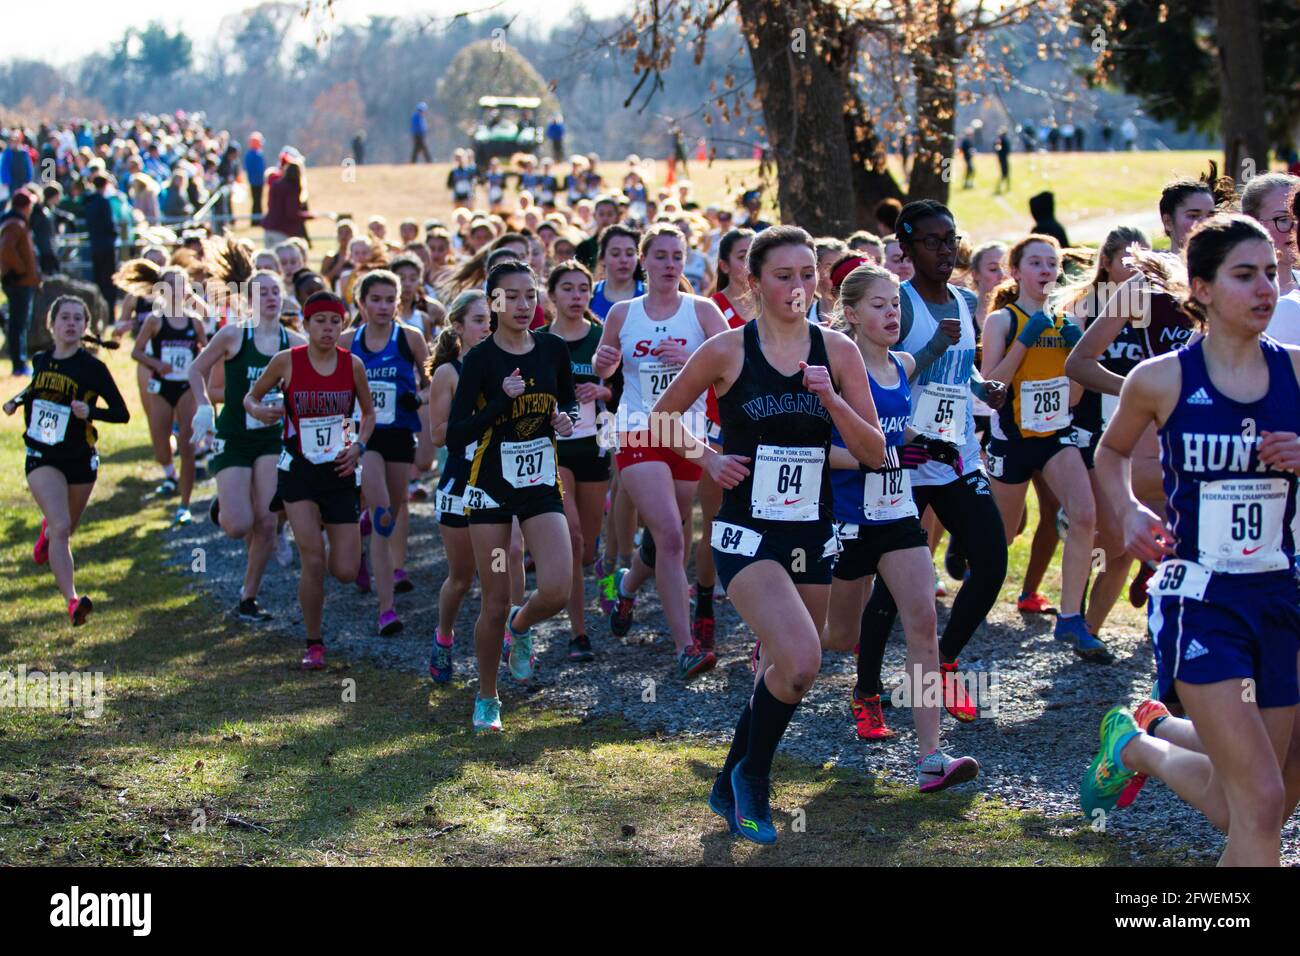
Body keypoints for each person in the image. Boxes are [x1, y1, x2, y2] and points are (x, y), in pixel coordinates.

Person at [649, 225, 885, 842]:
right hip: (746, 532)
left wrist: (833, 401)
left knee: (789, 665)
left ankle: (729, 779)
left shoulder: (839, 351)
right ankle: (755, 776)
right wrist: (707, 459)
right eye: (784, 276)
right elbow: (660, 418)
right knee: (801, 661)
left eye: (808, 274)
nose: (799, 286)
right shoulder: (728, 350)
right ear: (754, 282)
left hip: (812, 528)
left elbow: (875, 452)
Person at [1083, 214, 1300, 867]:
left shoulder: (1296, 372)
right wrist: (1123, 511)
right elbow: (1111, 451)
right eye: (1244, 276)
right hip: (1202, 601)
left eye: (1270, 273)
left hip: (1280, 599)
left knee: (1254, 806)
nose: (1265, 288)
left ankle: (1140, 744)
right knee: (1260, 802)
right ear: (1201, 288)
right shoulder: (1162, 378)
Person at [822, 263, 980, 784]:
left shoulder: (902, 364)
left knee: (923, 624)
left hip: (895, 514)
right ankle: (775, 649)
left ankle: (931, 758)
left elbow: (900, 430)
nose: (892, 313)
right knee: (836, 636)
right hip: (846, 520)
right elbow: (820, 452)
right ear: (851, 314)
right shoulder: (837, 371)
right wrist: (887, 456)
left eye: (896, 304)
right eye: (879, 305)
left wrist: (928, 444)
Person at [853, 201, 1010, 711]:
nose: (945, 250)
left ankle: (942, 665)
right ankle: (868, 693)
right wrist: (937, 350)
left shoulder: (964, 300)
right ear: (906, 247)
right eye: (931, 241)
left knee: (990, 563)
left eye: (951, 239)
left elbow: (959, 370)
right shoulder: (898, 304)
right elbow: (887, 373)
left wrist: (984, 388)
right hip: (907, 459)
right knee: (893, 589)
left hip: (959, 454)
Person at [593, 223, 729, 680]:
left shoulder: (702, 310)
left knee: (662, 541)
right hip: (637, 432)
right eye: (662, 256)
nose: (671, 265)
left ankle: (628, 588)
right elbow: (603, 363)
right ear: (643, 262)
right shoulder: (622, 313)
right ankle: (685, 647)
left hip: (688, 439)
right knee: (673, 536)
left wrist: (690, 355)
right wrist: (603, 365)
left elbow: (732, 362)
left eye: (678, 257)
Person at [446, 261, 576, 731]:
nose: (524, 305)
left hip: (540, 485)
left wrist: (565, 418)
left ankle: (520, 628)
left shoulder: (553, 348)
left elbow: (569, 401)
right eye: (512, 297)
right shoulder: (480, 360)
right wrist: (501, 400)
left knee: (558, 587)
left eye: (530, 295)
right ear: (493, 303)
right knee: (495, 600)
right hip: (490, 493)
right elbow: (456, 433)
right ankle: (487, 697)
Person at [981, 234, 1107, 660]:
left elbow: (1071, 400)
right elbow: (990, 390)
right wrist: (1025, 340)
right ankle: (974, 594)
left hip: (1054, 437)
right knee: (1003, 534)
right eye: (1035, 263)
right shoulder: (1002, 321)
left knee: (1085, 513)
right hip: (1011, 440)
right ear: (1016, 271)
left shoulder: (1065, 321)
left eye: (1052, 263)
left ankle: (1071, 618)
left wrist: (1074, 353)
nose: (1046, 271)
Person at [247, 292, 374, 669]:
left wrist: (359, 447)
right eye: (320, 321)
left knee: (346, 571)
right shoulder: (287, 361)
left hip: (339, 470)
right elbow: (249, 399)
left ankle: (349, 543)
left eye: (335, 322)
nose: (328, 328)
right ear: (305, 324)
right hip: (298, 469)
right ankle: (314, 642)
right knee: (313, 561)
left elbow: (368, 414)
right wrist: (262, 410)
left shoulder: (352, 365)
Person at [188, 240, 304, 622]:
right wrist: (204, 405)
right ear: (249, 299)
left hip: (271, 440)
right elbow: (195, 369)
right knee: (240, 524)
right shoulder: (234, 335)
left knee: (267, 522)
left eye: (276, 291)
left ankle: (248, 596)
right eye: (262, 292)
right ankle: (225, 504)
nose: (271, 297)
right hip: (235, 437)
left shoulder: (295, 343)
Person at [3, 295, 128, 624]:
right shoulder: (41, 359)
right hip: (42, 454)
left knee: (64, 528)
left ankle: (46, 537)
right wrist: (16, 401)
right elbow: (35, 388)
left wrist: (92, 412)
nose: (71, 323)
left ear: (86, 327)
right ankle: (73, 602)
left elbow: (122, 413)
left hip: (80, 458)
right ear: (52, 324)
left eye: (77, 319)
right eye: (65, 318)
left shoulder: (93, 368)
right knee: (61, 527)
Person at [340, 270, 431, 636]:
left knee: (390, 513)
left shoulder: (410, 338)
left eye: (389, 300)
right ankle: (386, 609)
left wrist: (418, 398)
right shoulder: (348, 341)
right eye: (374, 299)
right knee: (382, 518)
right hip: (366, 439)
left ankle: (363, 529)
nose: (382, 306)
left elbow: (431, 383)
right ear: (360, 303)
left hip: (400, 436)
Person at [689, 227, 757, 647]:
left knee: (764, 524)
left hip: (767, 436)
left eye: (756, 255)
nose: (749, 264)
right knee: (717, 523)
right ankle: (704, 602)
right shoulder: (711, 308)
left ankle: (762, 627)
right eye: (743, 255)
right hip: (718, 432)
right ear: (725, 264)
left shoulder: (779, 307)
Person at [546, 261, 614, 661]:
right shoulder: (536, 340)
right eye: (567, 288)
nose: (576, 296)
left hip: (594, 444)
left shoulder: (602, 338)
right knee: (570, 538)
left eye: (583, 289)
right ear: (552, 295)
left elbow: (624, 390)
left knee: (587, 549)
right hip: (552, 448)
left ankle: (604, 571)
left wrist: (601, 393)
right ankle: (579, 632)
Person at [427, 290, 492, 683]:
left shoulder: (508, 364)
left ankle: (509, 638)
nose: (487, 327)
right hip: (459, 478)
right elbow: (436, 434)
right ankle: (444, 636)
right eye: (479, 321)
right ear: (459, 327)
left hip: (499, 478)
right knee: (463, 576)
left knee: (504, 564)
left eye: (490, 320)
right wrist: (482, 419)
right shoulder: (448, 373)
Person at [123, 259, 207, 523]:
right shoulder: (154, 321)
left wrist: (200, 362)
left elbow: (207, 350)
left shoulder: (195, 322)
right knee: (160, 442)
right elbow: (136, 352)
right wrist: (157, 363)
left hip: (185, 387)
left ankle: (185, 504)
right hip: (161, 386)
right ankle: (169, 473)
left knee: (188, 444)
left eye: (179, 285)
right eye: (169, 286)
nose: (174, 290)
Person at [0, 190, 40, 375]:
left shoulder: (14, 222)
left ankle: (20, 362)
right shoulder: (15, 223)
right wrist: (20, 269)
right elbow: (6, 249)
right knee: (18, 324)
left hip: (21, 281)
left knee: (19, 323)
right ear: (25, 206)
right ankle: (19, 364)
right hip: (19, 282)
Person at [262, 159, 311, 247]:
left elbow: (269, 205)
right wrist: (308, 216)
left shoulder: (276, 185)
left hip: (268, 229)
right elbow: (291, 212)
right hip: (282, 231)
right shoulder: (293, 188)